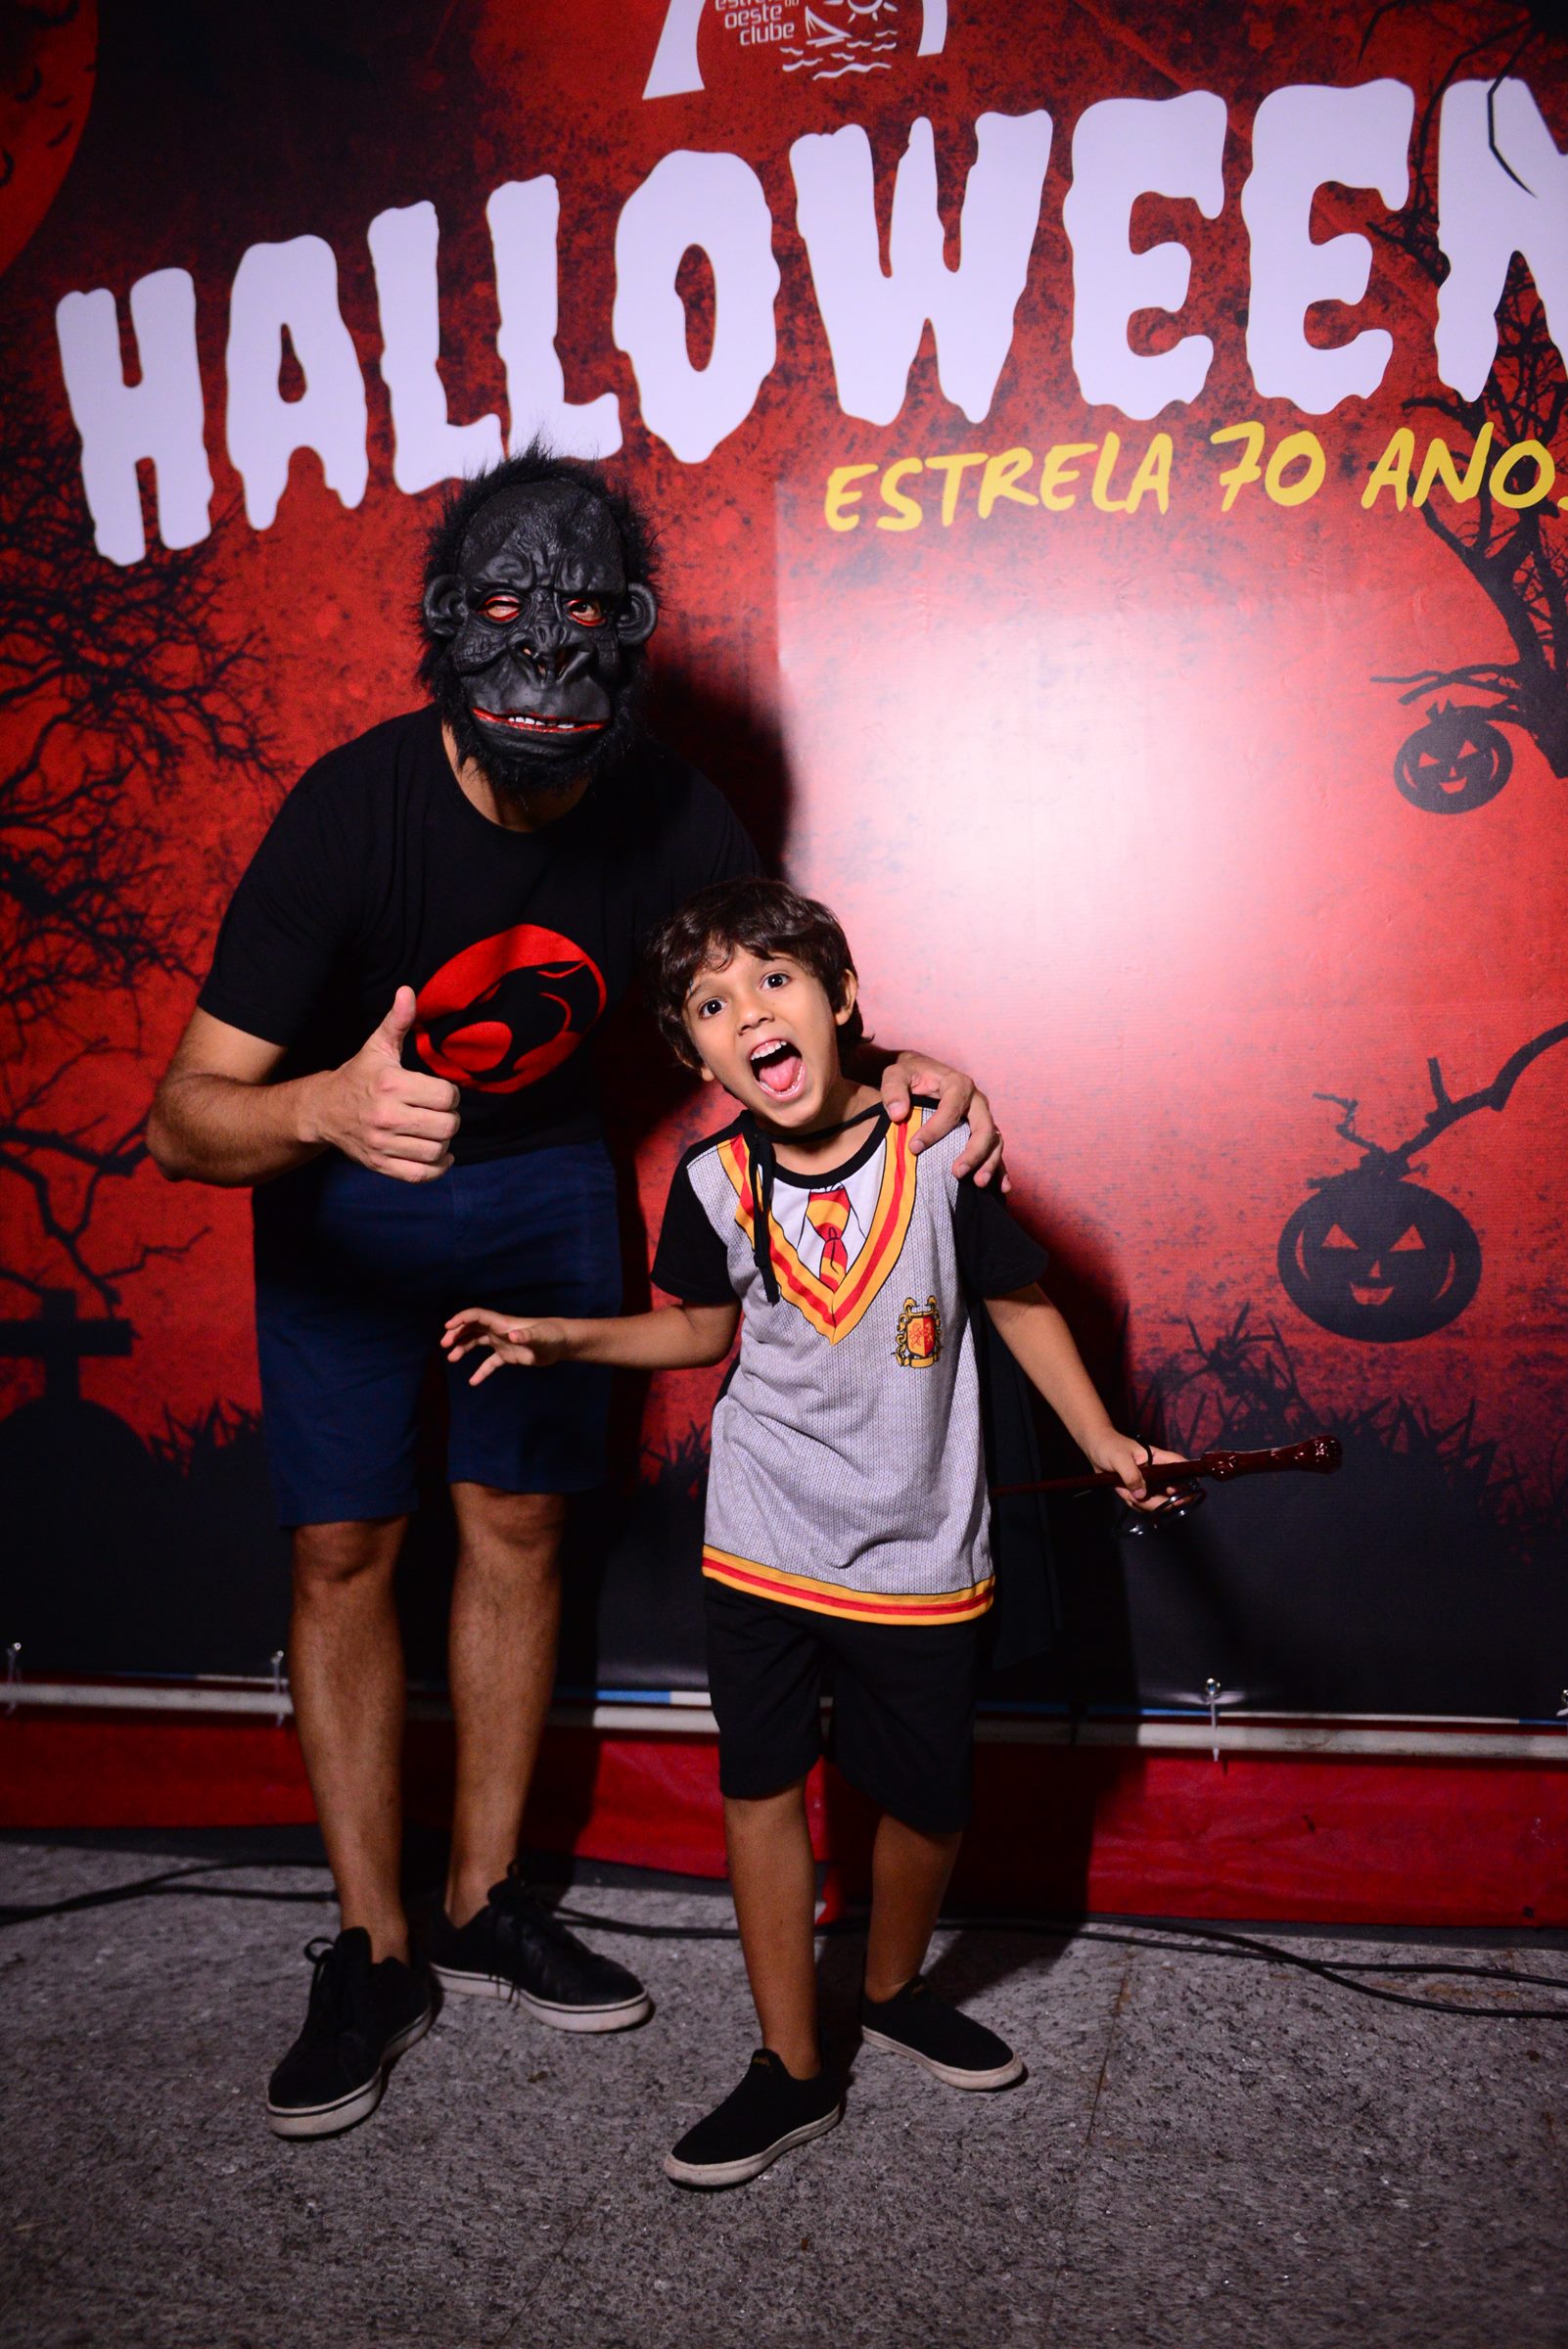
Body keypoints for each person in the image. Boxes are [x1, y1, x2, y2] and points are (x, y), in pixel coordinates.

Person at [147, 450, 1002, 2141]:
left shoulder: (671, 808)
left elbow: (778, 1007)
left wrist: (910, 1075)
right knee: (343, 1549)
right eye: (503, 610)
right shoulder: (351, 812)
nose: (545, 650)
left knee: (523, 1525)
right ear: (440, 627)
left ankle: (481, 1901)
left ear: (634, 631)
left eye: (585, 613)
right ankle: (372, 1945)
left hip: (540, 1180)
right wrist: (320, 1110)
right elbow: (184, 1120)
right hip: (344, 1183)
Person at [442, 876, 1176, 2189]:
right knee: (760, 1786)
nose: (748, 1013)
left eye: (772, 980)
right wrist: (558, 1337)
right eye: (710, 1005)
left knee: (929, 1800)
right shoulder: (712, 1181)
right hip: (763, 1536)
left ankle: (890, 1988)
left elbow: (1018, 1302)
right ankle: (789, 2064)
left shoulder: (937, 1150)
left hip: (920, 1545)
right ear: (695, 1057)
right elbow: (697, 1334)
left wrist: (1104, 1439)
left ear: (839, 1000)